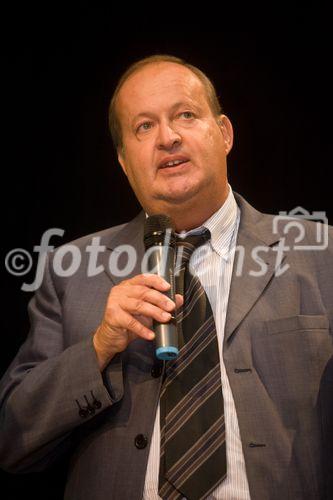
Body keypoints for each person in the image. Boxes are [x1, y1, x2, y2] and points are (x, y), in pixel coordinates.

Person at [0, 54, 332, 500]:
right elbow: (12, 438)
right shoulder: (71, 271)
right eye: (143, 127)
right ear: (122, 160)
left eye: (186, 115)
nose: (168, 137)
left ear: (225, 133)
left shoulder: (322, 255)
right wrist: (99, 348)